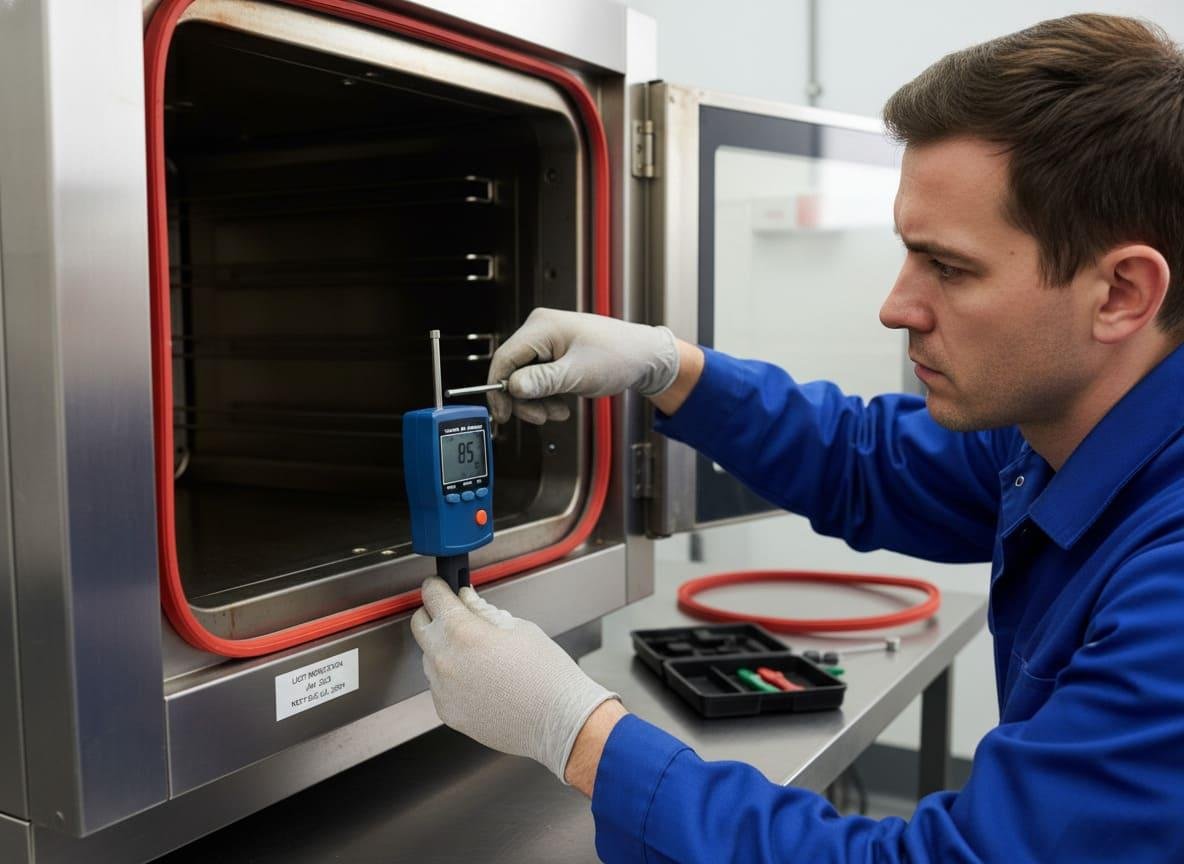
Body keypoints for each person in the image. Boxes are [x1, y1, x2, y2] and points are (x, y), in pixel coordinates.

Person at [410, 13, 1184, 862]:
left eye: (950, 268)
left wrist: (579, 732)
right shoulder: (1058, 434)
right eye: (906, 254)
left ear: (1121, 293)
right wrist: (669, 367)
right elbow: (869, 462)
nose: (895, 306)